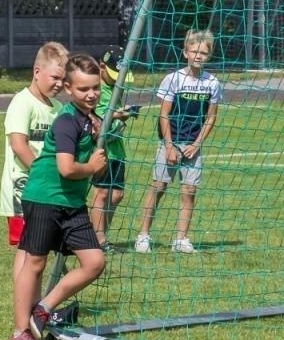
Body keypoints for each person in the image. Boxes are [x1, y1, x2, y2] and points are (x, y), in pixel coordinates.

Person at [11, 54, 110, 340]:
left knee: (94, 262)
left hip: (71, 203)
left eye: (95, 88)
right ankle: (20, 331)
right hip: (45, 197)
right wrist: (92, 167)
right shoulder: (66, 121)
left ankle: (42, 309)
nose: (91, 94)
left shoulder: (91, 118)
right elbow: (66, 168)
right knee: (35, 262)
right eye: (83, 89)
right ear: (68, 88)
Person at [134, 29, 222, 254]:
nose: (198, 56)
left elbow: (211, 117)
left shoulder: (212, 83)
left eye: (203, 52)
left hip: (193, 146)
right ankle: (143, 235)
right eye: (194, 51)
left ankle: (181, 239)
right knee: (159, 186)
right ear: (185, 53)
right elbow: (164, 114)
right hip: (170, 142)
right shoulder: (173, 79)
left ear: (208, 55)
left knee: (189, 191)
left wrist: (197, 144)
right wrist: (169, 145)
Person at [2, 41, 67, 340]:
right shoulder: (22, 102)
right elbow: (19, 145)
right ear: (37, 71)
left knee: (36, 253)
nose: (59, 84)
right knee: (27, 253)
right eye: (54, 78)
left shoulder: (57, 109)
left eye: (62, 79)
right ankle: (22, 320)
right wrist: (42, 175)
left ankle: (32, 317)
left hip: (45, 192)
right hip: (23, 188)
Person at [88, 46, 140, 250]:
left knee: (117, 195)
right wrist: (119, 119)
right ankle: (99, 240)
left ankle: (99, 234)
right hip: (103, 151)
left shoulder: (116, 89)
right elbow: (99, 122)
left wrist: (122, 116)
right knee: (101, 193)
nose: (118, 79)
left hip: (117, 151)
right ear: (101, 66)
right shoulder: (96, 90)